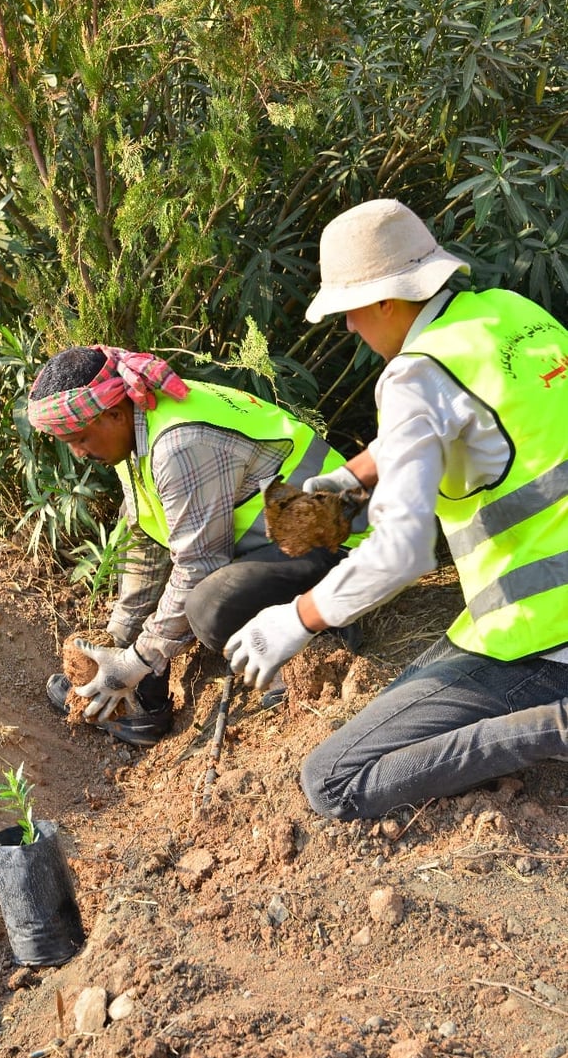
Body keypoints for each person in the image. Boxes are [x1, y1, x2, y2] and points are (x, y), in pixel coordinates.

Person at [225, 197, 568, 819]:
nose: (351, 328)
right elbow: (463, 424)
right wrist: (349, 478)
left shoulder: (414, 375)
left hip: (550, 629)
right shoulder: (513, 317)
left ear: (388, 299)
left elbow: (404, 552)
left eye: (351, 312)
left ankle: (559, 724)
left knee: (333, 780)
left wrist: (298, 618)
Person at [27, 346, 364, 747]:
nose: (78, 453)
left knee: (208, 608)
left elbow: (200, 564)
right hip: (280, 541)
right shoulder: (136, 429)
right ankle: (144, 709)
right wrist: (117, 640)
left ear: (113, 414)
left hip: (341, 546)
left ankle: (304, 650)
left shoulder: (179, 444)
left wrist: (136, 661)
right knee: (171, 609)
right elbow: (146, 540)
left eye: (80, 438)